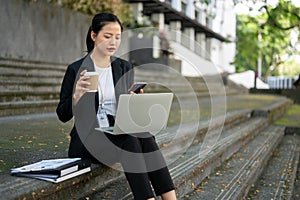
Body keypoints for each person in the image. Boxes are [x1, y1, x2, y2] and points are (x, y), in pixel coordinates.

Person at [56, 12, 176, 200]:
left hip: (116, 130)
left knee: (144, 135)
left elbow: (125, 112)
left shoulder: (123, 67)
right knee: (130, 140)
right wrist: (76, 96)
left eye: (117, 37)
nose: (113, 42)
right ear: (93, 36)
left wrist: (134, 102)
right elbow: (62, 114)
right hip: (88, 139)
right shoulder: (76, 69)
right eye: (107, 36)